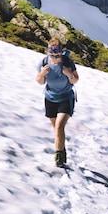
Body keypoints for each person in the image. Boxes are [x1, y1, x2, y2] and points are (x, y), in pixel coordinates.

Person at [35, 37, 79, 167]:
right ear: (48, 53)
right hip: (50, 99)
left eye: (57, 55)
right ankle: (62, 149)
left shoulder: (67, 63)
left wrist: (69, 73)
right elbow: (40, 81)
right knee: (57, 130)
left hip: (66, 98)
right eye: (52, 55)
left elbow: (75, 80)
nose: (54, 58)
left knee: (59, 127)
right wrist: (42, 74)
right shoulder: (44, 63)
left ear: (61, 53)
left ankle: (59, 158)